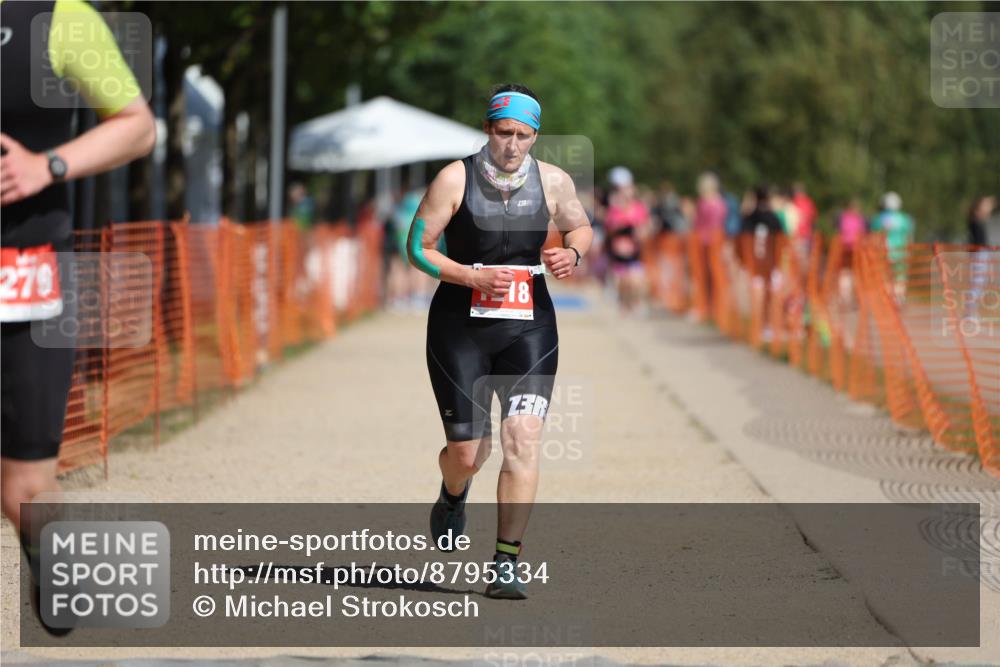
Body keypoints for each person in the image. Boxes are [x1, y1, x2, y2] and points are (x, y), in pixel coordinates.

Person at [1, 0, 155, 634]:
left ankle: (49, 559)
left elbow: (137, 126)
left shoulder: (59, 20)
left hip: (27, 275)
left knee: (23, 490)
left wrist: (48, 165)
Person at [407, 84, 591, 599]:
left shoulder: (553, 181)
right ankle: (452, 493)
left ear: (535, 135)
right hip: (459, 327)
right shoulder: (454, 177)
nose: (512, 144)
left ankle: (505, 562)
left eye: (523, 135)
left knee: (522, 439)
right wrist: (468, 277)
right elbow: (416, 248)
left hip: (529, 326)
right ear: (488, 128)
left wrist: (571, 255)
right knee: (468, 453)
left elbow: (581, 229)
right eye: (503, 132)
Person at [603, 167, 651, 314]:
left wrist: (639, 230)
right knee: (622, 283)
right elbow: (609, 229)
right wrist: (620, 228)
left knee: (636, 282)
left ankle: (635, 303)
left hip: (634, 253)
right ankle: (624, 303)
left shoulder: (639, 208)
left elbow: (645, 229)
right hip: (618, 255)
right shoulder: (614, 210)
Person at [741, 186, 785, 342]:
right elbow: (782, 240)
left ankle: (758, 326)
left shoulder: (749, 218)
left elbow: (742, 238)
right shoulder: (774, 218)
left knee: (756, 295)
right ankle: (767, 326)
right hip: (770, 263)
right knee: (769, 296)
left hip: (754, 264)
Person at [691, 171, 727, 321]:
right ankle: (707, 307)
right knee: (706, 274)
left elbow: (700, 222)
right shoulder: (716, 202)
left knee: (712, 273)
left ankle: (712, 307)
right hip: (707, 240)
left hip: (709, 240)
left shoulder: (711, 203)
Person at [871, 191, 915, 300]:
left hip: (884, 253)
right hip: (901, 252)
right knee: (900, 278)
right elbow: (909, 236)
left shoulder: (878, 219)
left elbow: (874, 237)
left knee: (885, 277)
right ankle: (898, 299)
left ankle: (889, 300)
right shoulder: (905, 219)